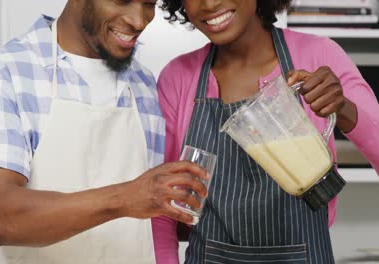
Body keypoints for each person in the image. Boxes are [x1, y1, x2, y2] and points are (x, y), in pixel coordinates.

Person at [0, 0, 210, 263]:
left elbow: (153, 220)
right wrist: (127, 196)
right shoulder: (7, 71)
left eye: (148, 4)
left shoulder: (143, 84)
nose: (139, 21)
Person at [153, 0, 379, 263]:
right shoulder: (178, 78)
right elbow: (161, 208)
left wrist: (343, 109)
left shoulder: (318, 55)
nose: (210, 3)